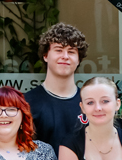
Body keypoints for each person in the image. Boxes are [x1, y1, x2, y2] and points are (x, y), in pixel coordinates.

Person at [26, 23, 88, 152]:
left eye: (71, 51)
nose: (65, 56)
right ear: (45, 56)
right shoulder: (26, 103)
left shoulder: (90, 102)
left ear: (79, 60)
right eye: (58, 50)